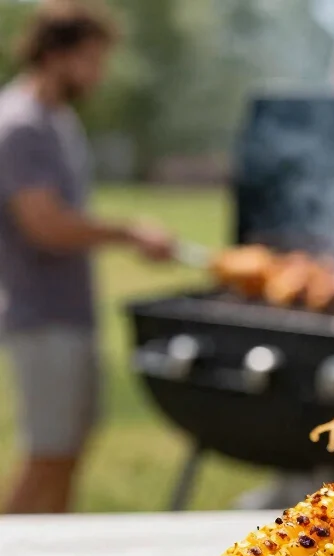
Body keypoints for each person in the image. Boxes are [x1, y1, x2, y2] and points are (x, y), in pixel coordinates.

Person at [0, 1, 175, 514]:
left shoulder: (57, 119)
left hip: (69, 314)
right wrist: (130, 233)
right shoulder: (21, 125)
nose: (99, 74)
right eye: (93, 60)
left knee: (69, 452)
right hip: (41, 316)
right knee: (47, 456)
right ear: (57, 54)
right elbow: (45, 225)